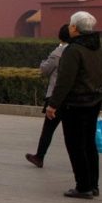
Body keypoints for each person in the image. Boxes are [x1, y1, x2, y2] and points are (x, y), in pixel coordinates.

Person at [45, 11, 102, 199]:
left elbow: (65, 81)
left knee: (75, 145)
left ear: (75, 28)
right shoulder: (98, 47)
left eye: (71, 24)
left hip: (75, 103)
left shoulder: (73, 50)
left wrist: (53, 104)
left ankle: (83, 186)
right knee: (89, 144)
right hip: (94, 101)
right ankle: (93, 184)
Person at [26, 24, 71, 168]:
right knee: (72, 134)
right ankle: (78, 164)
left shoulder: (58, 52)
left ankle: (39, 156)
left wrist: (42, 63)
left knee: (48, 130)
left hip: (55, 96)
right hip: (73, 97)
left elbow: (45, 70)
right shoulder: (78, 51)